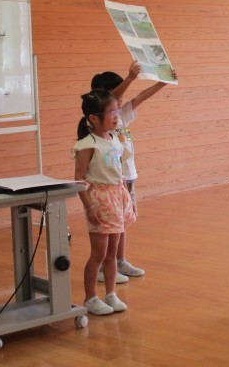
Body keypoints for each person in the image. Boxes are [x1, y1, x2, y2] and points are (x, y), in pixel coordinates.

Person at [91, 60, 176, 282]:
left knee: (121, 223)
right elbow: (110, 99)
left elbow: (140, 98)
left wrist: (163, 82)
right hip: (111, 182)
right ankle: (104, 267)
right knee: (110, 226)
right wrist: (129, 78)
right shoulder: (99, 119)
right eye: (117, 94)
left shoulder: (120, 115)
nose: (120, 100)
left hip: (127, 178)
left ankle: (119, 261)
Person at [73, 89, 136, 315]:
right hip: (99, 200)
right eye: (111, 112)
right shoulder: (87, 145)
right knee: (98, 254)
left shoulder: (114, 139)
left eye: (116, 111)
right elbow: (79, 179)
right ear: (93, 118)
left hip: (116, 199)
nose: (116, 116)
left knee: (112, 252)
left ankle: (111, 294)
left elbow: (120, 174)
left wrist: (127, 199)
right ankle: (90, 298)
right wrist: (89, 207)